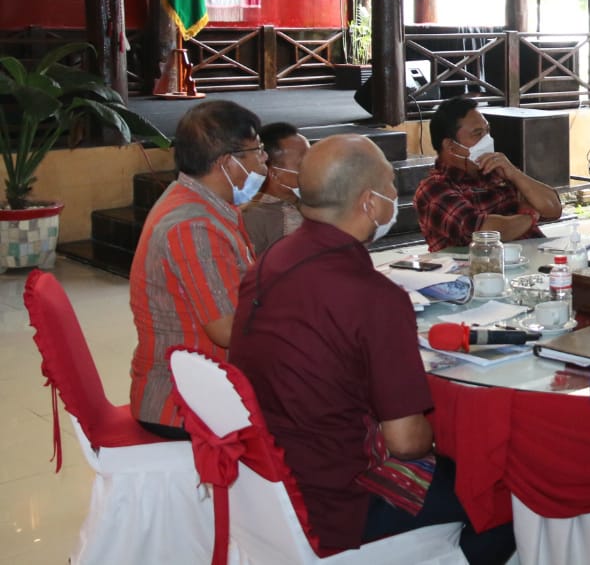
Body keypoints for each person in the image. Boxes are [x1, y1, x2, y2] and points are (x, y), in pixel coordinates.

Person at [229, 135, 515, 563]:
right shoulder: (373, 296)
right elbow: (404, 442)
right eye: (390, 186)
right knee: (502, 491)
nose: (394, 199)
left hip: (267, 480)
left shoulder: (269, 263)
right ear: (369, 203)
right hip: (344, 501)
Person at [128, 99, 263, 438]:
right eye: (257, 152)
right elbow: (228, 330)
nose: (264, 162)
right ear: (227, 163)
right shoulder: (194, 225)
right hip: (183, 401)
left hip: (207, 382)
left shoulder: (203, 204)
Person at [414, 97, 562, 251]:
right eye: (478, 134)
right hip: (482, 270)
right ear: (451, 146)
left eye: (488, 131)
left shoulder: (498, 171)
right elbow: (486, 233)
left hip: (533, 261)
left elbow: (553, 209)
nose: (487, 139)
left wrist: (515, 174)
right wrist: (531, 214)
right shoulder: (434, 189)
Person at [241, 121, 310, 255]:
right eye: (304, 163)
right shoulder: (252, 218)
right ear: (273, 174)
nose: (314, 168)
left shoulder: (316, 206)